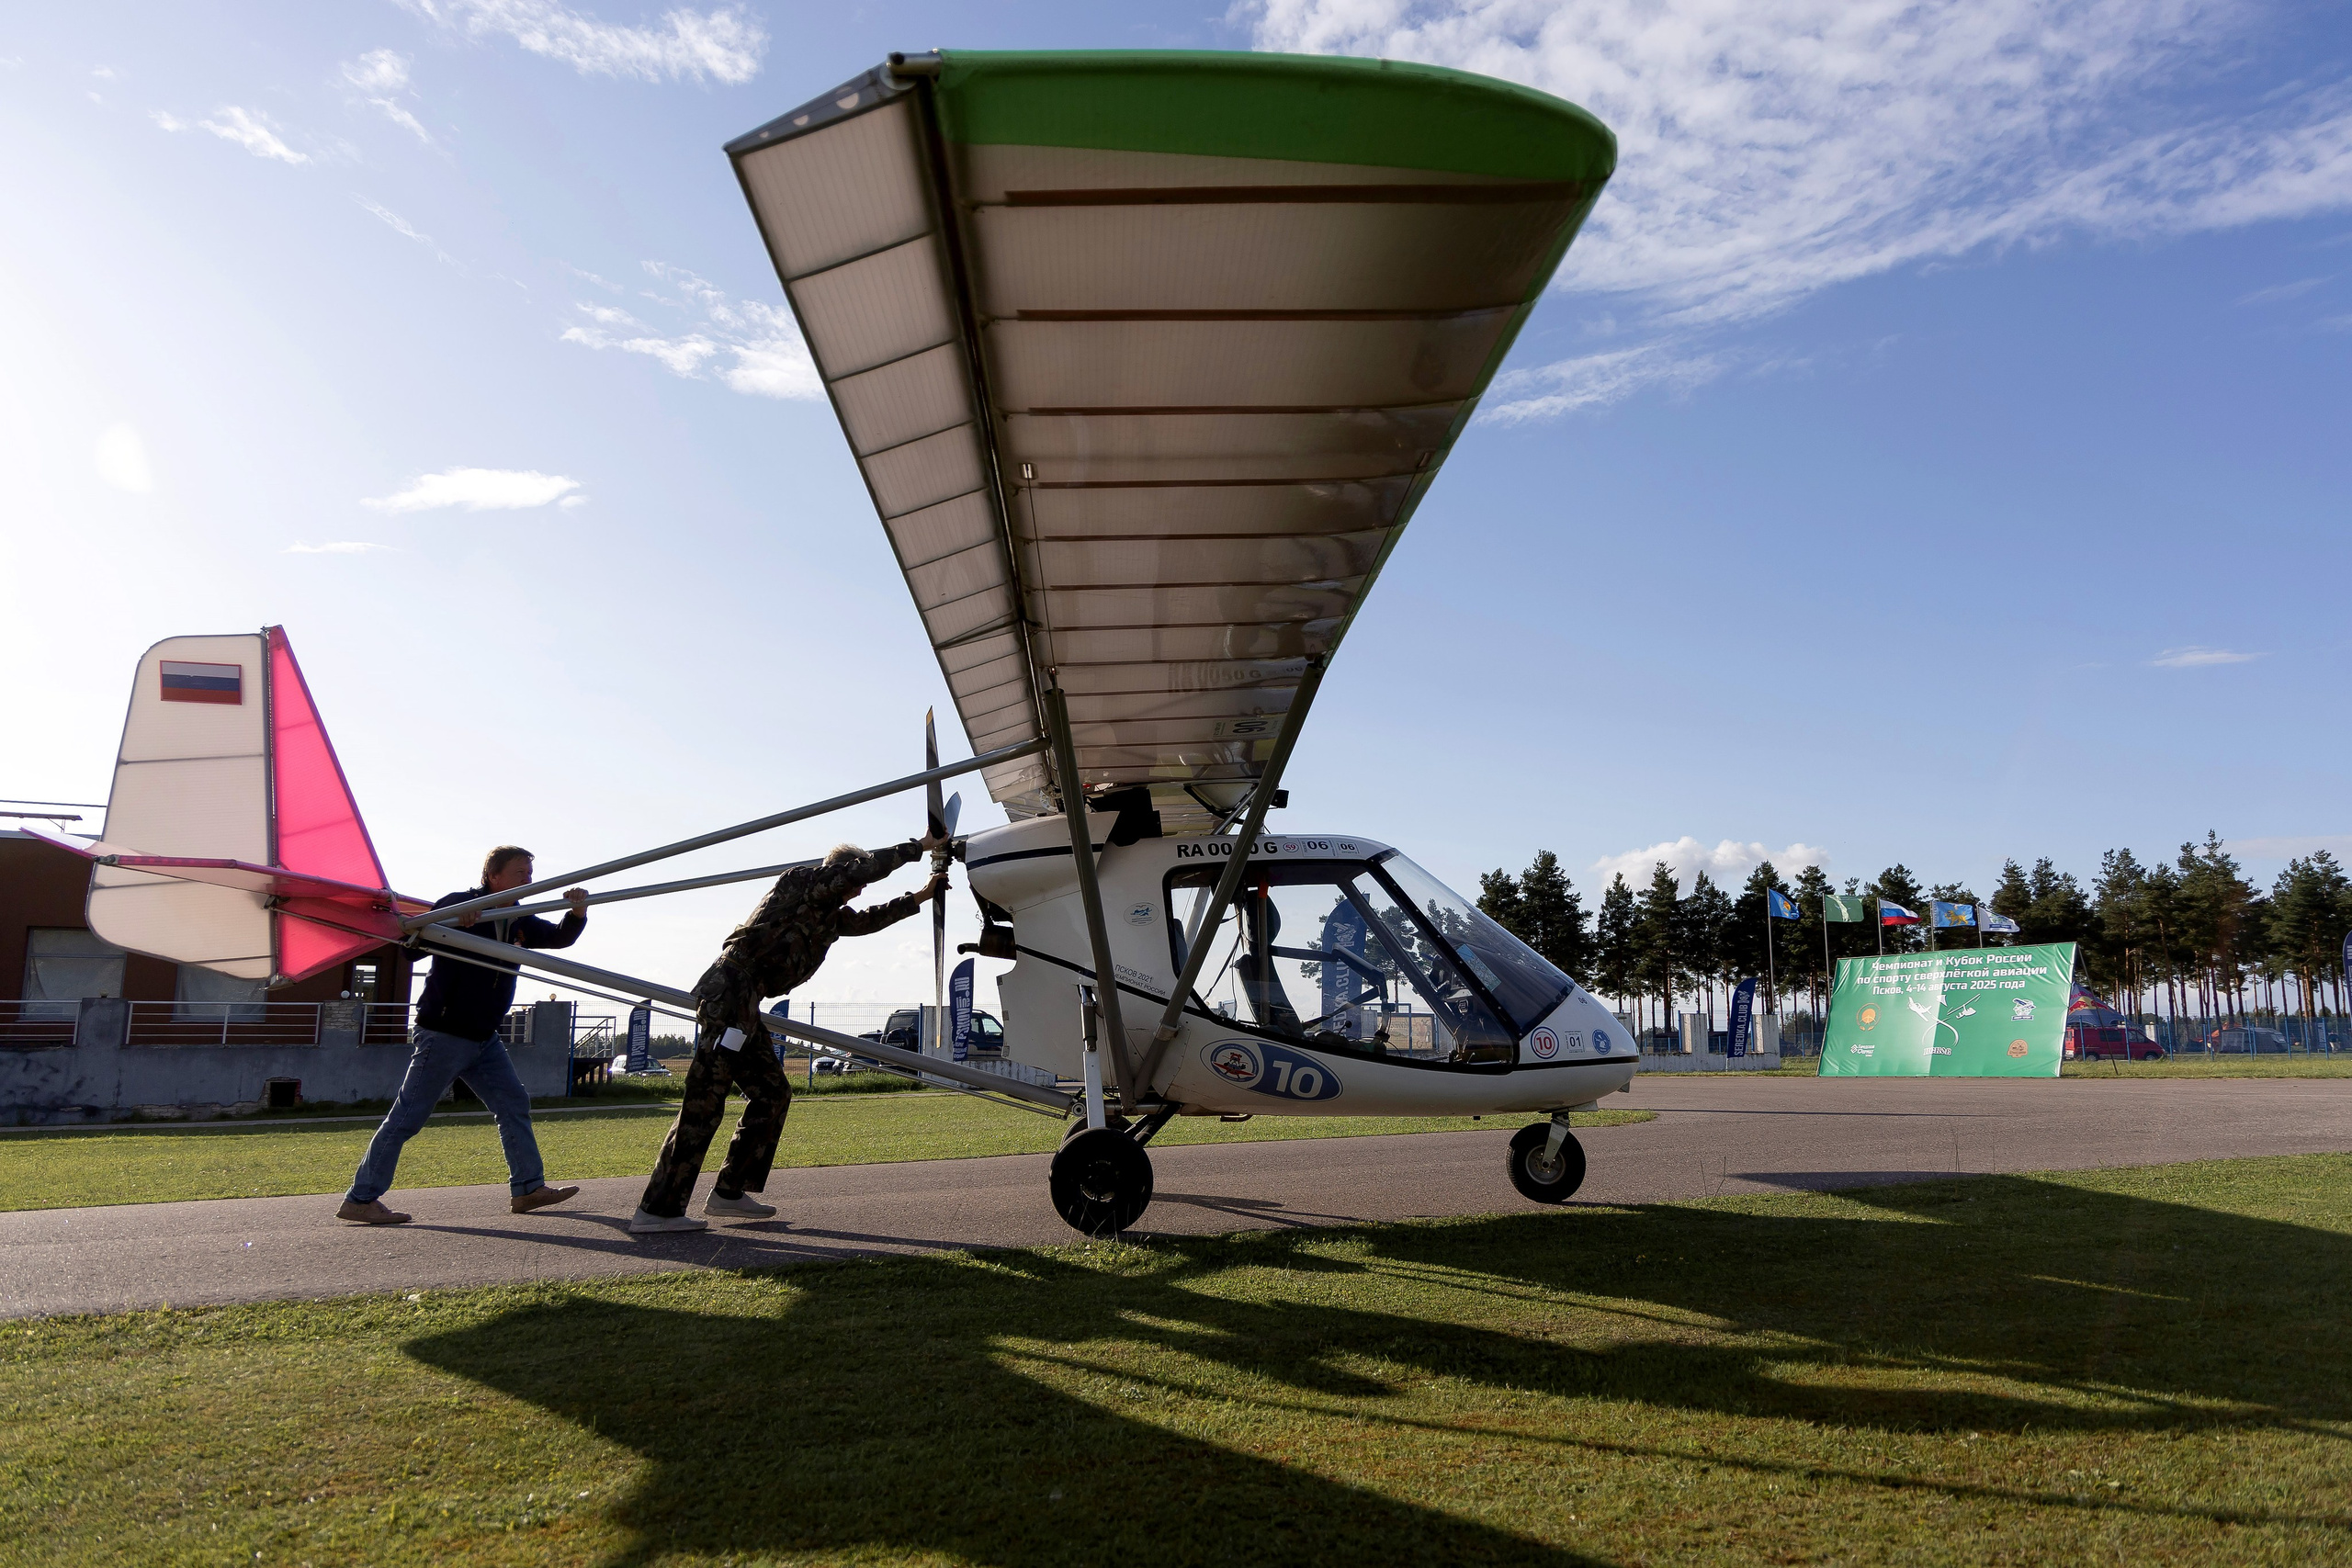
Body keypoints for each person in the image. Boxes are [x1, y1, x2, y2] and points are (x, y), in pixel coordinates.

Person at [631, 837, 947, 1234]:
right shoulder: (800, 882)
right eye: (855, 882)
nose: (859, 890)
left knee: (773, 1093)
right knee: (704, 1101)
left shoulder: (828, 916)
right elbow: (864, 871)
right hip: (730, 992)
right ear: (838, 871)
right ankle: (658, 1211)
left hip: (746, 1005)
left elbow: (868, 920)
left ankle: (729, 1191)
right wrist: (920, 847)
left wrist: (921, 896)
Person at [337, 846, 590, 1224]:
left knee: (513, 1103)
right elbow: (410, 950)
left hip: (484, 1036)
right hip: (444, 1033)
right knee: (408, 1117)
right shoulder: (458, 904)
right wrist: (455, 923)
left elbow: (558, 939)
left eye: (530, 873)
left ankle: (527, 1189)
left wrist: (577, 912)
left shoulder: (518, 918)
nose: (528, 879)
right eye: (520, 872)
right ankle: (360, 1198)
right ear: (493, 876)